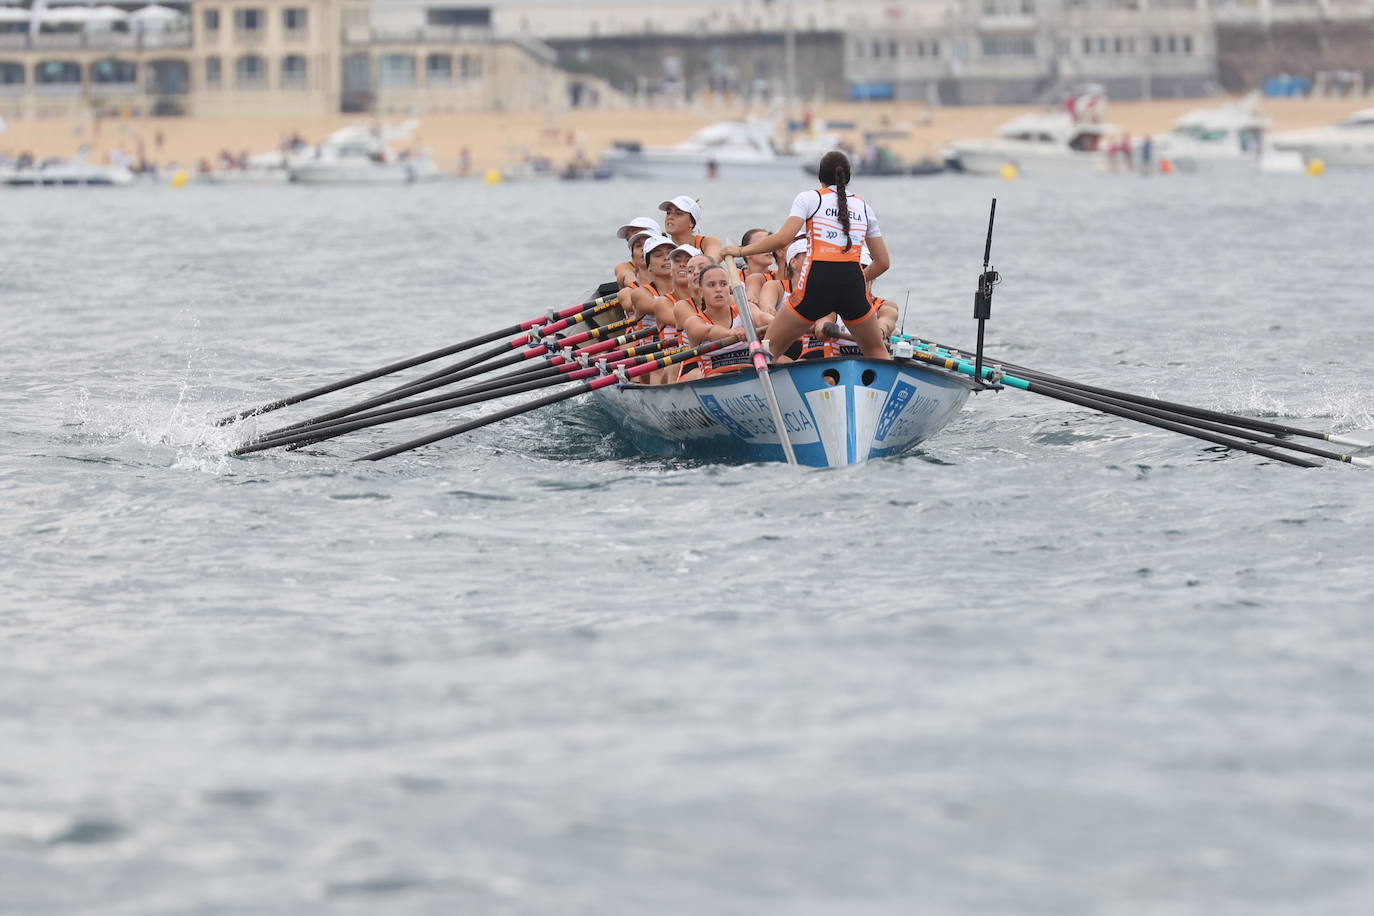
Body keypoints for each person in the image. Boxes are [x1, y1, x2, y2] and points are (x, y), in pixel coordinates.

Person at [721, 150, 890, 361]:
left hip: (815, 285)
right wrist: (853, 281)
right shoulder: (865, 208)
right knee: (876, 351)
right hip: (853, 286)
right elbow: (883, 263)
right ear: (848, 178)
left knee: (767, 350)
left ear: (820, 177)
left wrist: (738, 251)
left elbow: (783, 239)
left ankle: (756, 389)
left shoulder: (810, 198)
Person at [677, 264, 766, 382]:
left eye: (723, 284)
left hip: (750, 375)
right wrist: (732, 333)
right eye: (711, 285)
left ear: (728, 289)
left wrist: (776, 321)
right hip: (714, 380)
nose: (718, 289)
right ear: (701, 292)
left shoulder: (745, 309)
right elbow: (708, 332)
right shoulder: (693, 322)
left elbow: (762, 318)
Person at [658, 195, 722, 262]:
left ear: (691, 223)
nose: (670, 217)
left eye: (678, 213)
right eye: (668, 213)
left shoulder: (707, 242)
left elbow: (712, 261)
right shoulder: (661, 246)